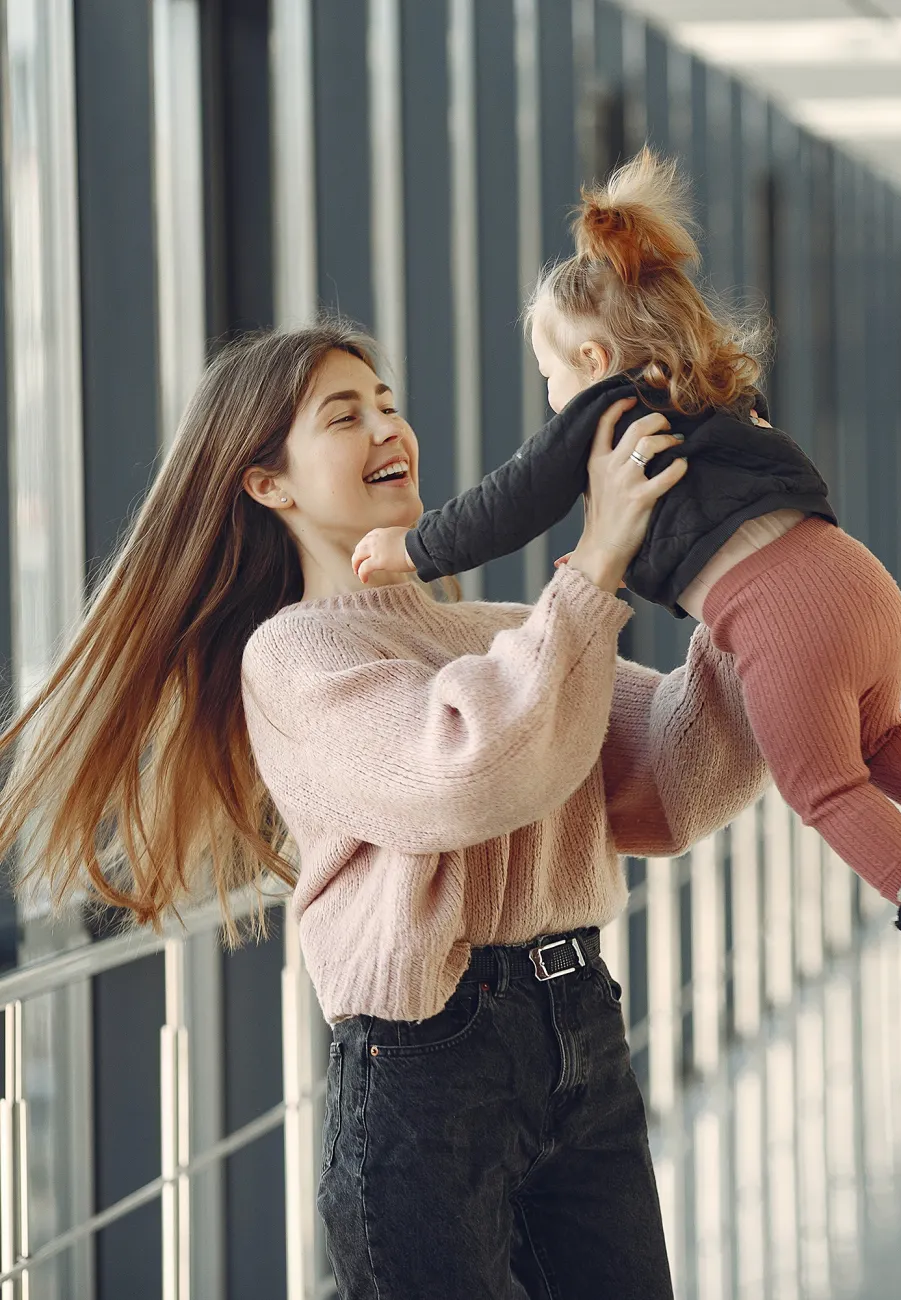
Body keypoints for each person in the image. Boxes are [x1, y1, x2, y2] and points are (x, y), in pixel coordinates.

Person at [0, 323, 768, 1299]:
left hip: (580, 1026)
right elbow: (464, 773)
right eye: (344, 413)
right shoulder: (292, 657)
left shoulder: (499, 635)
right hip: (427, 1070)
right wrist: (600, 554)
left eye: (389, 403)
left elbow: (678, 777)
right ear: (267, 483)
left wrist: (742, 571)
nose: (387, 425)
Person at [353, 149, 901, 1005]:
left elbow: (511, 500)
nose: (549, 398)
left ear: (594, 355)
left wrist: (411, 551)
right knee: (879, 729)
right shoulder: (721, 396)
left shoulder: (606, 407)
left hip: (778, 613)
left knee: (822, 784)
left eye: (548, 376)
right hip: (856, 579)